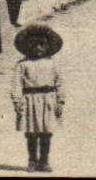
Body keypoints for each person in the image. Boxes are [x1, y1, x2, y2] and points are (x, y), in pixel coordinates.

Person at [10, 23, 64, 172]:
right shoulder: (23, 65)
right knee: (31, 133)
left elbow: (59, 82)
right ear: (28, 47)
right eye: (34, 45)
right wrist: (17, 101)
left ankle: (44, 161)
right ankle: (32, 160)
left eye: (42, 45)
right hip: (30, 100)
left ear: (48, 47)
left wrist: (60, 101)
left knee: (46, 132)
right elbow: (16, 84)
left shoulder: (52, 63)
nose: (38, 48)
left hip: (48, 100)